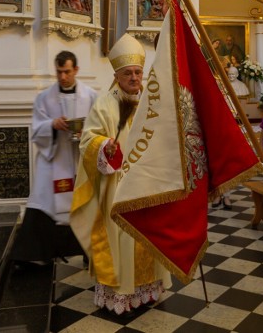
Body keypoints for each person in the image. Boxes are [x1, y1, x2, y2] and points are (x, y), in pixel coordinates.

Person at [71, 34, 171, 315]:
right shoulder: (105, 104)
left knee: (147, 239)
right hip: (118, 187)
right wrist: (105, 147)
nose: (134, 77)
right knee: (121, 241)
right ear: (116, 75)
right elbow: (87, 141)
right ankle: (120, 293)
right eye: (128, 73)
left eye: (138, 72)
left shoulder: (151, 103)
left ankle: (148, 289)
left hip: (148, 185)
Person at [10, 51, 97, 268]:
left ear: (76, 70)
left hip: (79, 159)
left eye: (67, 72)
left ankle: (90, 252)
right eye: (59, 72)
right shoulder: (44, 97)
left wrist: (85, 132)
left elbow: (99, 125)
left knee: (86, 204)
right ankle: (34, 254)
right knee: (43, 201)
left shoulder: (91, 96)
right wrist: (52, 125)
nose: (62, 77)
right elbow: (37, 127)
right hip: (54, 158)